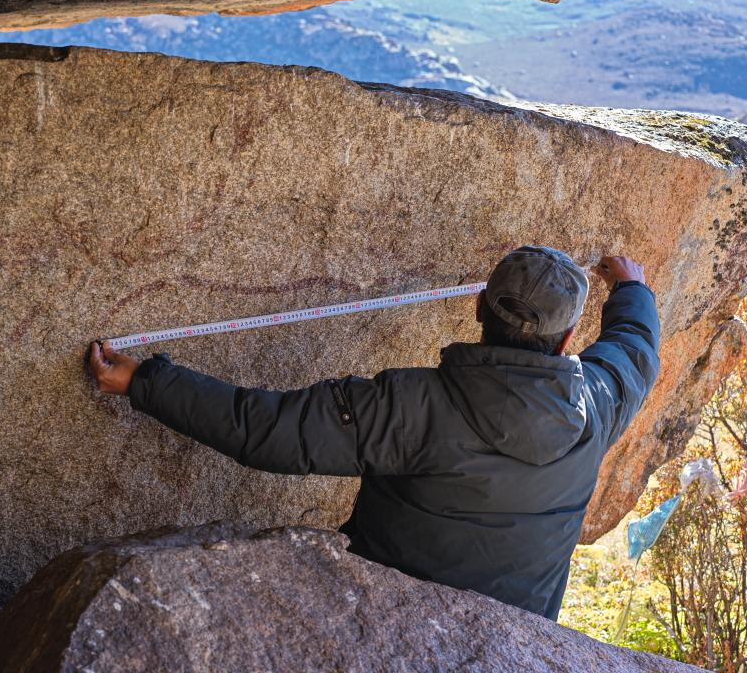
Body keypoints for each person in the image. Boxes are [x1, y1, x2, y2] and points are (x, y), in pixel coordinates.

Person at [88, 246, 659, 620]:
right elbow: (634, 351)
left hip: (383, 620)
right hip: (516, 643)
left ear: (478, 307)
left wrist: (145, 382)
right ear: (569, 338)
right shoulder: (598, 403)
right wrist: (630, 287)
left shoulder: (408, 405)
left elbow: (268, 430)